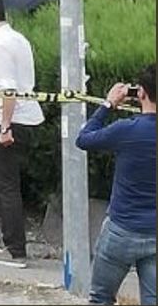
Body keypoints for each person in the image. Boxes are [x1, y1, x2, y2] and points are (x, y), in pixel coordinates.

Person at [0, 0, 44, 268]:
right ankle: (8, 239)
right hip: (28, 117)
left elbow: (9, 89)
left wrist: (4, 126)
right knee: (10, 185)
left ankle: (16, 251)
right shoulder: (18, 39)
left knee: (7, 187)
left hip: (9, 121)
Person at [76, 65, 156, 305]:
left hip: (121, 229)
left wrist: (108, 104)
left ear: (140, 93)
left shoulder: (126, 130)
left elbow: (84, 139)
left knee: (101, 297)